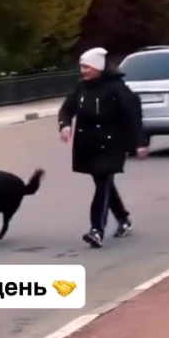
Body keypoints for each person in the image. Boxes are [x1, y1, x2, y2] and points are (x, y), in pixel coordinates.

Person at [58, 47, 148, 248]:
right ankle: (123, 219)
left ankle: (96, 230)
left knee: (102, 181)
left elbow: (133, 115)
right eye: (82, 67)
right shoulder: (81, 87)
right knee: (104, 183)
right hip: (87, 144)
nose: (83, 71)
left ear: (98, 67)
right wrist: (64, 125)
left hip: (111, 143)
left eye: (87, 67)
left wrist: (140, 143)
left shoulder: (116, 88)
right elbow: (67, 108)